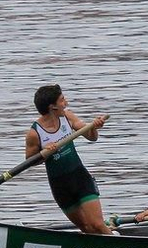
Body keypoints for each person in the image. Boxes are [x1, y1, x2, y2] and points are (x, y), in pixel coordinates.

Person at [26, 84, 111, 234]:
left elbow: (91, 137)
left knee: (97, 225)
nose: (66, 103)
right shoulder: (34, 133)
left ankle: (116, 247)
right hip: (60, 185)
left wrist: (94, 127)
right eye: (62, 100)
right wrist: (46, 153)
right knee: (86, 228)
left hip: (79, 178)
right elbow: (30, 161)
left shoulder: (68, 117)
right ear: (52, 107)